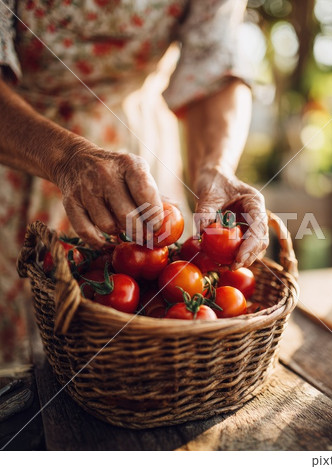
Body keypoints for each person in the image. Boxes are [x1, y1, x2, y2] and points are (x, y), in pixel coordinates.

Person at [0, 0, 268, 363]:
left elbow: (216, 67)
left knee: (142, 345)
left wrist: (214, 168)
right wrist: (65, 158)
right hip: (17, 143)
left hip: (139, 149)